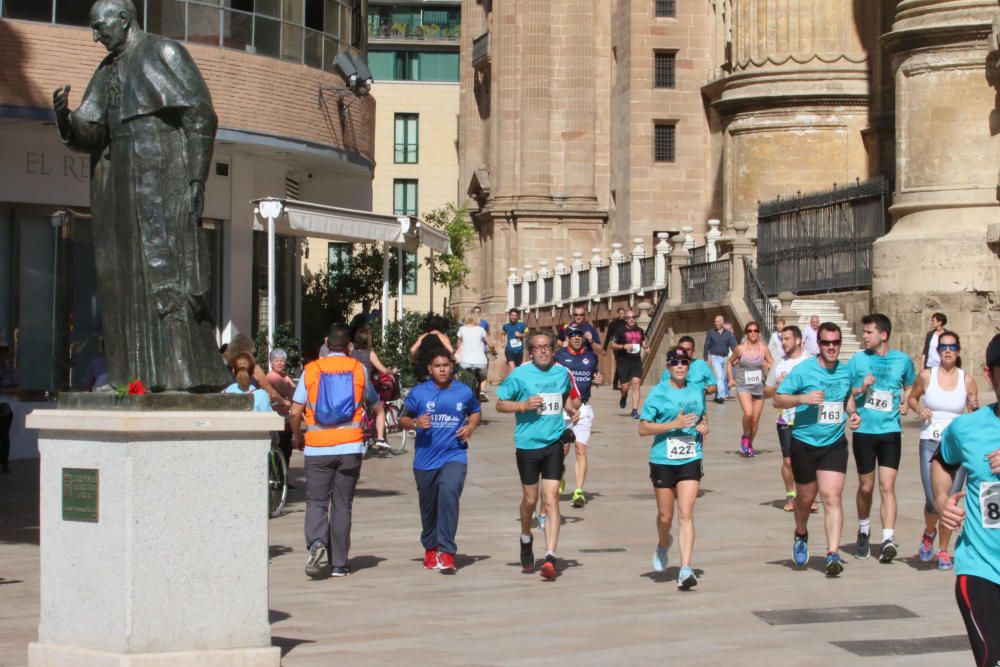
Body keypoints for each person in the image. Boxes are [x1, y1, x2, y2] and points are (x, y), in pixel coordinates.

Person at [52, 0, 231, 392]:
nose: (95, 36)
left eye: (100, 27)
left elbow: (200, 116)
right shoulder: (107, 70)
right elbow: (93, 131)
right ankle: (129, 377)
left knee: (167, 276)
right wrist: (67, 119)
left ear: (124, 19)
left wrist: (196, 180)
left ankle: (186, 374)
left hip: (161, 180)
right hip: (118, 187)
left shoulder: (164, 52)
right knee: (122, 282)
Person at [930, 333, 1000, 667]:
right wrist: (943, 502)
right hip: (981, 568)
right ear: (989, 374)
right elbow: (943, 461)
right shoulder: (967, 429)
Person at [289, 324, 380, 579]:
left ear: (326, 344)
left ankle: (317, 542)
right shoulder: (359, 370)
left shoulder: (311, 370)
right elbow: (375, 404)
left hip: (318, 446)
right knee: (342, 504)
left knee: (317, 501)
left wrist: (298, 436)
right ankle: (339, 563)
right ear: (349, 346)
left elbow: (295, 411)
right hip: (350, 446)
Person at [775, 322, 861, 577]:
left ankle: (832, 553)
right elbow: (778, 399)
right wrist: (802, 398)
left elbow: (847, 398)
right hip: (804, 442)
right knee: (805, 499)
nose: (831, 347)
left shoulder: (846, 372)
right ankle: (801, 532)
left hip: (834, 443)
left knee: (832, 497)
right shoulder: (804, 371)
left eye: (836, 343)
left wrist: (853, 414)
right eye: (826, 343)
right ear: (818, 345)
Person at [496, 330, 581, 581]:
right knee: (530, 500)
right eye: (537, 347)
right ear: (530, 352)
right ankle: (525, 537)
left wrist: (571, 410)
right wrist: (522, 405)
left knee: (551, 498)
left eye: (547, 347)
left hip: (554, 442)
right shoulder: (520, 375)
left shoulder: (562, 373)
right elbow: (500, 404)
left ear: (553, 350)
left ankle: (551, 556)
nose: (543, 351)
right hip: (527, 444)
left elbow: (565, 399)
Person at [399, 351, 482, 574]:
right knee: (429, 507)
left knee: (448, 493)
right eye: (437, 365)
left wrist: (471, 427)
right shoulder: (419, 392)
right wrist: (415, 422)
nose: (442, 369)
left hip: (454, 454)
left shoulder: (463, 391)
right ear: (430, 369)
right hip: (425, 459)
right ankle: (430, 546)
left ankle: (446, 551)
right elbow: (402, 419)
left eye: (446, 365)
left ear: (452, 367)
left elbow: (475, 412)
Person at [847, 313, 916, 563]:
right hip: (865, 432)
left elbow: (910, 386)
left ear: (883, 335)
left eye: (868, 332)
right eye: (864, 332)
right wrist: (856, 402)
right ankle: (864, 529)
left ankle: (888, 538)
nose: (864, 336)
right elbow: (848, 393)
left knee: (887, 485)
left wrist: (907, 402)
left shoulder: (902, 360)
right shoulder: (857, 360)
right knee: (866, 487)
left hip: (890, 432)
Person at [639, 346, 710, 590]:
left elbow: (702, 417)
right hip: (662, 460)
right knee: (665, 516)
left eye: (684, 362)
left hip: (690, 456)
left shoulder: (697, 391)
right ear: (668, 367)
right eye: (675, 362)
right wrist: (673, 424)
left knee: (686, 513)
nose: (680, 366)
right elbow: (643, 428)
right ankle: (663, 542)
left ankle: (686, 568)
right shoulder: (658, 393)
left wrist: (703, 426)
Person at [908, 330, 978, 569]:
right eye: (943, 347)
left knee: (950, 501)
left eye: (952, 347)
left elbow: (973, 410)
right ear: (937, 352)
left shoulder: (966, 379)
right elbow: (913, 398)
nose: (948, 351)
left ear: (958, 351)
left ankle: (944, 550)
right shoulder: (926, 376)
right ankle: (929, 533)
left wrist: (973, 407)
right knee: (931, 501)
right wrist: (920, 409)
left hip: (956, 448)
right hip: (930, 442)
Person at [764, 325, 813, 511]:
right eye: (782, 339)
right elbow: (766, 391)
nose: (783, 343)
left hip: (807, 417)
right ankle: (791, 495)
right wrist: (777, 385)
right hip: (785, 418)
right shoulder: (779, 363)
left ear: (798, 340)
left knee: (808, 460)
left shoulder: (810, 361)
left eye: (787, 339)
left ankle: (807, 497)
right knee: (788, 461)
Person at [555, 326, 603, 508]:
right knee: (563, 450)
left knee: (581, 448)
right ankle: (559, 471)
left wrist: (598, 380)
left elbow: (595, 376)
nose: (576, 338)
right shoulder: (559, 356)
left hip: (583, 408)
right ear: (568, 338)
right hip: (563, 409)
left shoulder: (591, 357)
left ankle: (579, 491)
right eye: (573, 335)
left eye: (579, 335)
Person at [726, 321, 772, 457]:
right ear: (746, 333)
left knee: (755, 419)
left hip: (759, 386)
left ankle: (749, 444)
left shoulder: (763, 348)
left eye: (755, 330)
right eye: (750, 331)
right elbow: (729, 363)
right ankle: (745, 436)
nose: (753, 333)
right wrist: (730, 379)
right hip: (743, 385)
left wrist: (768, 364)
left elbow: (772, 362)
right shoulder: (740, 349)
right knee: (748, 413)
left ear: (758, 332)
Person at [610, 309, 649, 419]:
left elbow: (643, 341)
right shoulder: (620, 331)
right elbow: (612, 345)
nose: (631, 319)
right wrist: (623, 346)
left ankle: (635, 410)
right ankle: (624, 396)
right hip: (624, 362)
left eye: (633, 317)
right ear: (626, 319)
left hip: (636, 361)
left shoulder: (640, 330)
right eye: (629, 318)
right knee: (625, 387)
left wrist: (646, 347)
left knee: (636, 384)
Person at [266, 348, 297, 472]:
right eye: (276, 360)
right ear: (271, 362)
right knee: (281, 449)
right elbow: (290, 392)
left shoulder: (283, 377)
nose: (279, 363)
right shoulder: (272, 377)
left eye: (282, 361)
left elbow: (293, 393)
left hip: (285, 418)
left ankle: (283, 476)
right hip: (277, 417)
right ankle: (279, 477)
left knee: (286, 449)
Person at [455, 314, 496, 401]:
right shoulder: (481, 329)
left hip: (465, 361)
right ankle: (481, 392)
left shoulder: (462, 329)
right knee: (483, 376)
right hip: (480, 361)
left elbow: (458, 344)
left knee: (464, 377)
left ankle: (465, 393)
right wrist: (493, 351)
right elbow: (490, 344)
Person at [410, 314, 455, 383]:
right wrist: (451, 361)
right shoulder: (442, 337)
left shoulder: (423, 336)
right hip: (437, 369)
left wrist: (414, 360)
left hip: (422, 368)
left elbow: (412, 350)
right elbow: (451, 351)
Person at [704, 315, 737, 404]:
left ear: (722, 322)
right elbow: (707, 345)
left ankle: (716, 394)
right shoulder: (711, 333)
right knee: (719, 376)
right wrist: (705, 358)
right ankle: (721, 396)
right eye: (715, 321)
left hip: (725, 357)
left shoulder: (728, 334)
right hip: (715, 357)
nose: (716, 323)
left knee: (721, 378)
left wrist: (736, 356)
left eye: (717, 321)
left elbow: (733, 346)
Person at [0, 344, 20, 474]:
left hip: (5, 406)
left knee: (3, 435)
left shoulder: (11, 372)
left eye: (4, 354)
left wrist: (4, 390)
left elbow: (19, 389)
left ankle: (4, 463)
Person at [501, 308, 528, 375]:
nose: (514, 317)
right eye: (512, 315)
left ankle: (514, 381)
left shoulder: (522, 324)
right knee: (512, 367)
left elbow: (528, 333)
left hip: (519, 350)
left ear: (518, 316)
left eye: (515, 315)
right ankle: (512, 383)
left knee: (518, 368)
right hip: (509, 349)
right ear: (509, 316)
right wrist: (503, 342)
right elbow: (503, 334)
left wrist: (521, 334)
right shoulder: (505, 326)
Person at [607, 307, 628, 390]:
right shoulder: (614, 323)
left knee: (623, 365)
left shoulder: (626, 323)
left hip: (625, 346)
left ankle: (620, 383)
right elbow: (609, 336)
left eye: (623, 313)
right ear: (618, 313)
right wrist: (605, 348)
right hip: (616, 346)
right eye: (621, 313)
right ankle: (615, 384)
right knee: (619, 365)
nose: (622, 315)